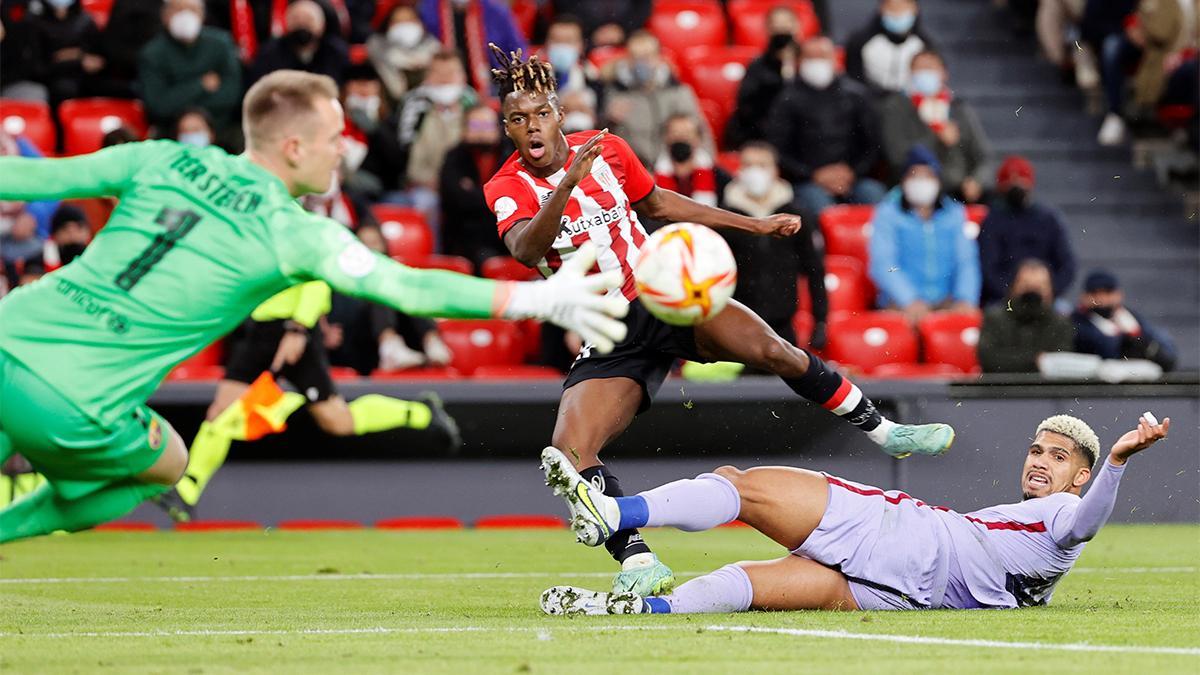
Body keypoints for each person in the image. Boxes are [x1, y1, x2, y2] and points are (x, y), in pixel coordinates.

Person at [0, 68, 629, 544]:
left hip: (11, 334)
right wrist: (537, 295)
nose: (343, 148)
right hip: (75, 403)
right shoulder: (294, 231)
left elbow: (28, 178)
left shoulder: (163, 157)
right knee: (168, 462)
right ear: (295, 147)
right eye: (333, 136)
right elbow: (408, 288)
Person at [484, 47, 955, 598]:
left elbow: (657, 203)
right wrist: (564, 187)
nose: (531, 126)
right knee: (568, 451)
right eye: (518, 119)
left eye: (540, 113)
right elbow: (525, 248)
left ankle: (886, 431)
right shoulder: (507, 187)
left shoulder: (607, 149)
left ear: (558, 113)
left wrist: (750, 225)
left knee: (776, 349)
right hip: (608, 325)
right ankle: (635, 558)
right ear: (508, 128)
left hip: (664, 296)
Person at [538, 412, 1171, 614]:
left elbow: (1083, 521)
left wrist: (1117, 461)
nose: (1040, 462)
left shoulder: (1066, 512)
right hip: (902, 595)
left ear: (1079, 477)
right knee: (756, 586)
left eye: (1057, 458)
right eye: (1035, 450)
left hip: (908, 538)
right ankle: (640, 608)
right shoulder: (1038, 547)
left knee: (742, 485)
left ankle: (614, 511)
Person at [158, 276, 463, 521]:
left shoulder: (293, 218)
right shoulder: (261, 218)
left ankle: (420, 412)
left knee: (337, 420)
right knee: (221, 410)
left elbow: (317, 277)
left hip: (291, 329)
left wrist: (300, 328)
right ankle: (188, 490)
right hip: (262, 331)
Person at [718, 142, 827, 350]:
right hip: (738, 326)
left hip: (783, 326)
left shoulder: (796, 215)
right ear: (739, 170)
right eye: (748, 165)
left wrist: (820, 320)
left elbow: (814, 269)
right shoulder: (725, 216)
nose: (755, 172)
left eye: (762, 165)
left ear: (775, 170)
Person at [767, 36, 886, 214]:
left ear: (834, 59)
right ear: (799, 61)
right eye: (810, 57)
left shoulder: (856, 96)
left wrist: (851, 172)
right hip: (807, 180)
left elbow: (872, 144)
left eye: (822, 56)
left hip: (854, 177)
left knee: (874, 197)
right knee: (820, 208)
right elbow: (779, 150)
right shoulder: (785, 100)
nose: (817, 63)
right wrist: (813, 174)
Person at [868, 145, 980, 324]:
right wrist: (909, 299)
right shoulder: (887, 214)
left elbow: (966, 262)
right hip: (901, 305)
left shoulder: (954, 213)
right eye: (914, 175)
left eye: (928, 175)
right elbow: (884, 264)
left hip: (946, 304)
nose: (921, 181)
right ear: (903, 180)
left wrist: (965, 299)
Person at [880, 50, 990, 203]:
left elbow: (983, 156)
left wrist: (976, 181)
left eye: (930, 68)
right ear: (910, 74)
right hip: (917, 187)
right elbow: (897, 155)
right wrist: (936, 137)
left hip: (960, 189)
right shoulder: (896, 107)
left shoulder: (959, 109)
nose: (925, 73)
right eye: (920, 68)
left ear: (944, 73)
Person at [978, 156, 1076, 306]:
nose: (1017, 185)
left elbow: (1067, 265)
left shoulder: (1048, 219)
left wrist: (1049, 289)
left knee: (1065, 315)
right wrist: (1013, 293)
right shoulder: (992, 221)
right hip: (1004, 299)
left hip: (1046, 298)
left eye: (1021, 180)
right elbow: (988, 269)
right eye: (1011, 181)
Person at [603, 31, 712, 164]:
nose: (641, 63)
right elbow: (602, 138)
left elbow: (701, 133)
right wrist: (609, 120)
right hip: (634, 168)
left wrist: (707, 166)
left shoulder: (678, 92)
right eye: (635, 57)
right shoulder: (614, 93)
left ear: (658, 57)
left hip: (672, 169)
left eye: (647, 56)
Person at [137, 0, 242, 137]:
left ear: (203, 15)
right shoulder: (152, 53)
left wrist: (181, 97)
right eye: (178, 9)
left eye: (192, 10)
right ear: (164, 15)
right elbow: (158, 106)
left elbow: (231, 94)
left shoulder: (221, 43)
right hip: (170, 132)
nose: (185, 16)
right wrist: (200, 85)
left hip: (221, 128)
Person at [440, 104, 511, 268]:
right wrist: (494, 198)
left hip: (507, 232)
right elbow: (455, 200)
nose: (481, 131)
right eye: (475, 126)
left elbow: (515, 196)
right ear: (464, 129)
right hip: (466, 236)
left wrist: (474, 192)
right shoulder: (454, 157)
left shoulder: (511, 154)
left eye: (486, 125)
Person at [977, 260, 1075, 373]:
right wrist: (1036, 360)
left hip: (1046, 389)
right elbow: (990, 360)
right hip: (1001, 388)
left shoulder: (1061, 323)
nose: (1032, 294)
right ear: (1013, 287)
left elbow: (1060, 363)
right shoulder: (994, 319)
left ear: (1050, 290)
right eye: (1026, 286)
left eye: (1039, 287)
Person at [725, 5, 802, 149]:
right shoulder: (757, 68)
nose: (782, 30)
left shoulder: (806, 63)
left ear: (797, 26)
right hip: (765, 139)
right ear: (768, 30)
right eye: (777, 26)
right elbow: (747, 109)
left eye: (786, 24)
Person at [1071, 270, 1177, 371]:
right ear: (1084, 297)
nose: (1101, 299)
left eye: (1107, 292)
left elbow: (1161, 346)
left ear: (1119, 294)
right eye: (1095, 293)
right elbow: (1106, 350)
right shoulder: (1078, 320)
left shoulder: (1128, 316)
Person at [419, 0, 527, 96]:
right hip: (442, 81)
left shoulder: (495, 10)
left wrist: (508, 73)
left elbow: (517, 49)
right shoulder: (428, 9)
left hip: (490, 83)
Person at [247, 0, 350, 88]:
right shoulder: (269, 53)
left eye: (308, 20)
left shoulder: (336, 52)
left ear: (321, 25)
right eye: (296, 19)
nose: (302, 25)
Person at [845, 0, 936, 95]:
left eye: (902, 8)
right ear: (881, 8)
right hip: (870, 100)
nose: (897, 14)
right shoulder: (860, 41)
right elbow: (852, 77)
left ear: (915, 9)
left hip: (911, 101)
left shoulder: (925, 44)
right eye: (893, 8)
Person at [26, 0, 103, 106]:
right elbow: (37, 68)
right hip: (54, 80)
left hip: (85, 78)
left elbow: (98, 58)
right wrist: (75, 61)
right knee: (64, 89)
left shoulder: (85, 20)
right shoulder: (35, 23)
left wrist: (75, 57)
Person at [366, 4, 442, 105]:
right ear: (388, 26)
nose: (405, 25)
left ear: (421, 25)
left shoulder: (436, 51)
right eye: (398, 21)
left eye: (409, 20)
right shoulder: (376, 52)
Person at [653, 114, 721, 208]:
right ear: (666, 138)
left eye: (687, 133)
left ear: (698, 139)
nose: (681, 138)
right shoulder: (652, 176)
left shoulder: (717, 175)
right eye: (675, 133)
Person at [44, 203, 92, 270]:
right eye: (65, 229)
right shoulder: (38, 264)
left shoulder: (101, 260)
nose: (73, 235)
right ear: (55, 235)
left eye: (79, 227)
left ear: (88, 232)